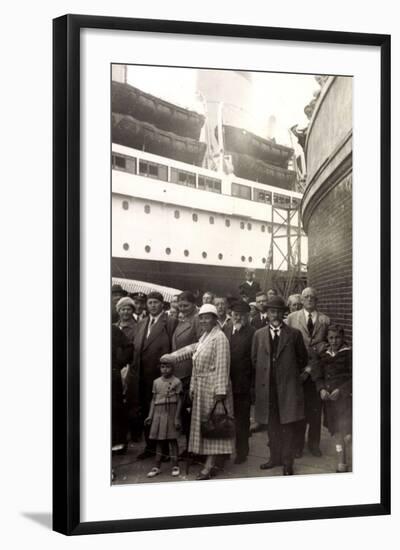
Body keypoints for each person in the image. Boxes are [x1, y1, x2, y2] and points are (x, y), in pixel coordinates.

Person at [161, 304, 234, 480]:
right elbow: (192, 352)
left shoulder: (220, 338)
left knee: (214, 425)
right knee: (205, 426)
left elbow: (223, 366)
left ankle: (209, 466)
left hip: (214, 388)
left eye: (207, 317)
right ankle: (210, 461)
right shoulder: (205, 336)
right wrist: (172, 357)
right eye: (201, 317)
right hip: (201, 387)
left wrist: (220, 392)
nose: (203, 320)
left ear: (215, 318)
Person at [252, 296, 308, 475]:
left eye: (278, 312)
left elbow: (302, 360)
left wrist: (292, 378)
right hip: (267, 389)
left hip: (287, 390)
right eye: (271, 311)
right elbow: (254, 360)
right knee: (271, 426)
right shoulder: (259, 334)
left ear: (284, 313)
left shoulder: (294, 334)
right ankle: (273, 458)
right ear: (267, 314)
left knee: (287, 427)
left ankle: (287, 462)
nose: (275, 315)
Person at [125, 291, 178, 459]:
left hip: (159, 374)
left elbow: (173, 349)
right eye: (150, 303)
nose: (152, 305)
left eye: (156, 302)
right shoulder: (141, 323)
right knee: (145, 412)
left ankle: (164, 451)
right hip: (140, 375)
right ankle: (150, 447)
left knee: (161, 412)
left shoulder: (170, 322)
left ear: (162, 304)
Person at [287, 287, 330, 457]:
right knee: (299, 410)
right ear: (302, 300)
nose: (309, 299)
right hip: (298, 372)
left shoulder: (325, 320)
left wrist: (314, 364)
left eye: (313, 297)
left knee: (315, 411)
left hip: (317, 372)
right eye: (306, 297)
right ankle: (297, 445)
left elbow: (326, 344)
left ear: (316, 300)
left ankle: (314, 444)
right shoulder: (291, 318)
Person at [316, 325, 352, 472]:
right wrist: (322, 388)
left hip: (344, 400)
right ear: (327, 339)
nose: (334, 341)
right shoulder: (324, 355)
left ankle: (346, 457)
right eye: (331, 338)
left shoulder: (349, 354)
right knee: (336, 432)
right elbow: (319, 376)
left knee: (346, 432)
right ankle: (341, 460)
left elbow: (355, 377)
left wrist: (341, 390)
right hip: (330, 401)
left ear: (342, 338)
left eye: (337, 337)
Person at [223, 301, 255, 464]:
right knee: (226, 419)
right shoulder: (226, 330)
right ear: (231, 315)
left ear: (247, 316)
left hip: (243, 384)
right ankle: (226, 450)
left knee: (242, 421)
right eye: (235, 314)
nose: (238, 317)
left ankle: (242, 452)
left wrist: (252, 386)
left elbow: (254, 361)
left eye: (241, 315)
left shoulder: (252, 333)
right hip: (226, 382)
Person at [172, 291, 202, 456]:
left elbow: (199, 343)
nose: (182, 308)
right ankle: (188, 447)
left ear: (193, 304)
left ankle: (192, 449)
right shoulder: (181, 320)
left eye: (186, 305)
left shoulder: (197, 319)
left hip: (189, 371)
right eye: (180, 305)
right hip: (179, 370)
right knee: (183, 412)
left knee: (190, 412)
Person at [144, 362, 183, 478]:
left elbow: (180, 401)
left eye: (168, 367)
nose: (165, 369)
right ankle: (157, 466)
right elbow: (153, 400)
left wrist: (176, 417)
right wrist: (150, 416)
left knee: (172, 440)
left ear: (173, 368)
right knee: (159, 440)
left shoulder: (177, 382)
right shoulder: (156, 382)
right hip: (158, 413)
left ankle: (175, 465)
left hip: (171, 412)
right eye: (162, 367)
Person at [111, 324, 133, 455]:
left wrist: (119, 363)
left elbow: (129, 346)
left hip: (111, 373)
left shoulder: (113, 330)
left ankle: (118, 444)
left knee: (115, 408)